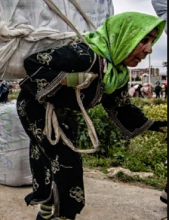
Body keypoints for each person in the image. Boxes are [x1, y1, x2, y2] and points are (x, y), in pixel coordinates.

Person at [17, 12, 166, 220]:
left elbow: (120, 107)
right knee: (67, 161)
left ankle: (49, 209)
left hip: (66, 112)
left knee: (51, 160)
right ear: (124, 36)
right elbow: (33, 63)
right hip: (36, 106)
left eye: (152, 41)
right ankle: (60, 215)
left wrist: (156, 125)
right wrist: (68, 79)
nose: (149, 49)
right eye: (144, 40)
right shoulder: (84, 55)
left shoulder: (117, 73)